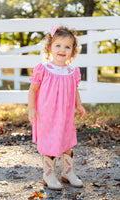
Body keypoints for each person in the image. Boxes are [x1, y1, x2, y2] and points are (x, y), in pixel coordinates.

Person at [28, 26, 86, 190]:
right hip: (47, 115)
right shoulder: (44, 69)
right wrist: (31, 108)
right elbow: (33, 90)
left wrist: (79, 104)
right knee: (51, 144)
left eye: (67, 47)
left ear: (72, 51)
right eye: (58, 45)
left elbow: (74, 90)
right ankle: (49, 175)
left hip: (66, 116)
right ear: (49, 48)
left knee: (67, 143)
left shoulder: (72, 71)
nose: (62, 50)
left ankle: (67, 172)